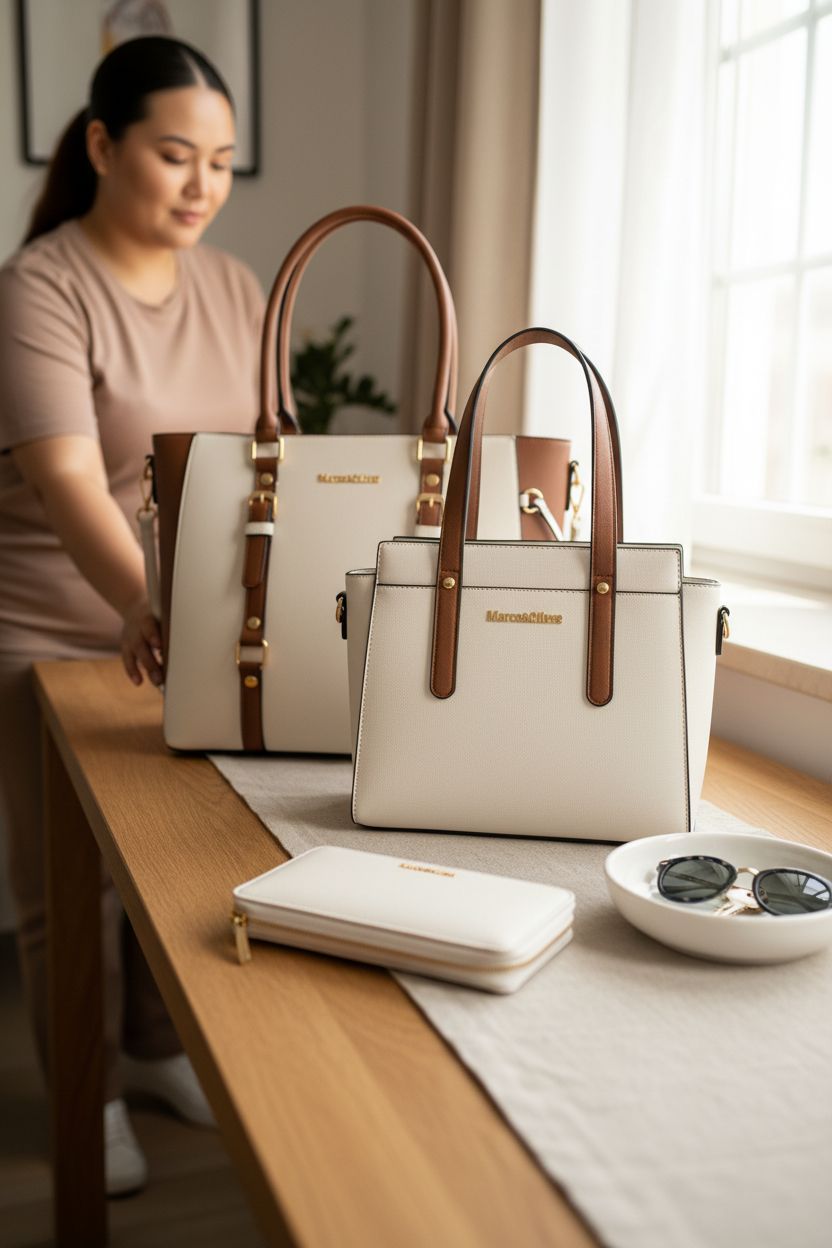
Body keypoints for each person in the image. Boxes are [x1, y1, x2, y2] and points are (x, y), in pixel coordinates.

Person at [0, 36, 264, 1196]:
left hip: (182, 621)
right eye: (174, 154)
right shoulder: (40, 286)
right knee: (73, 884)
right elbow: (66, 478)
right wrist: (144, 601)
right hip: (53, 621)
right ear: (103, 147)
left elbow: (262, 466)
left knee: (179, 860)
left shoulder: (239, 286)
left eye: (220, 160)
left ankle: (155, 1052)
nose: (202, 184)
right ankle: (87, 1097)